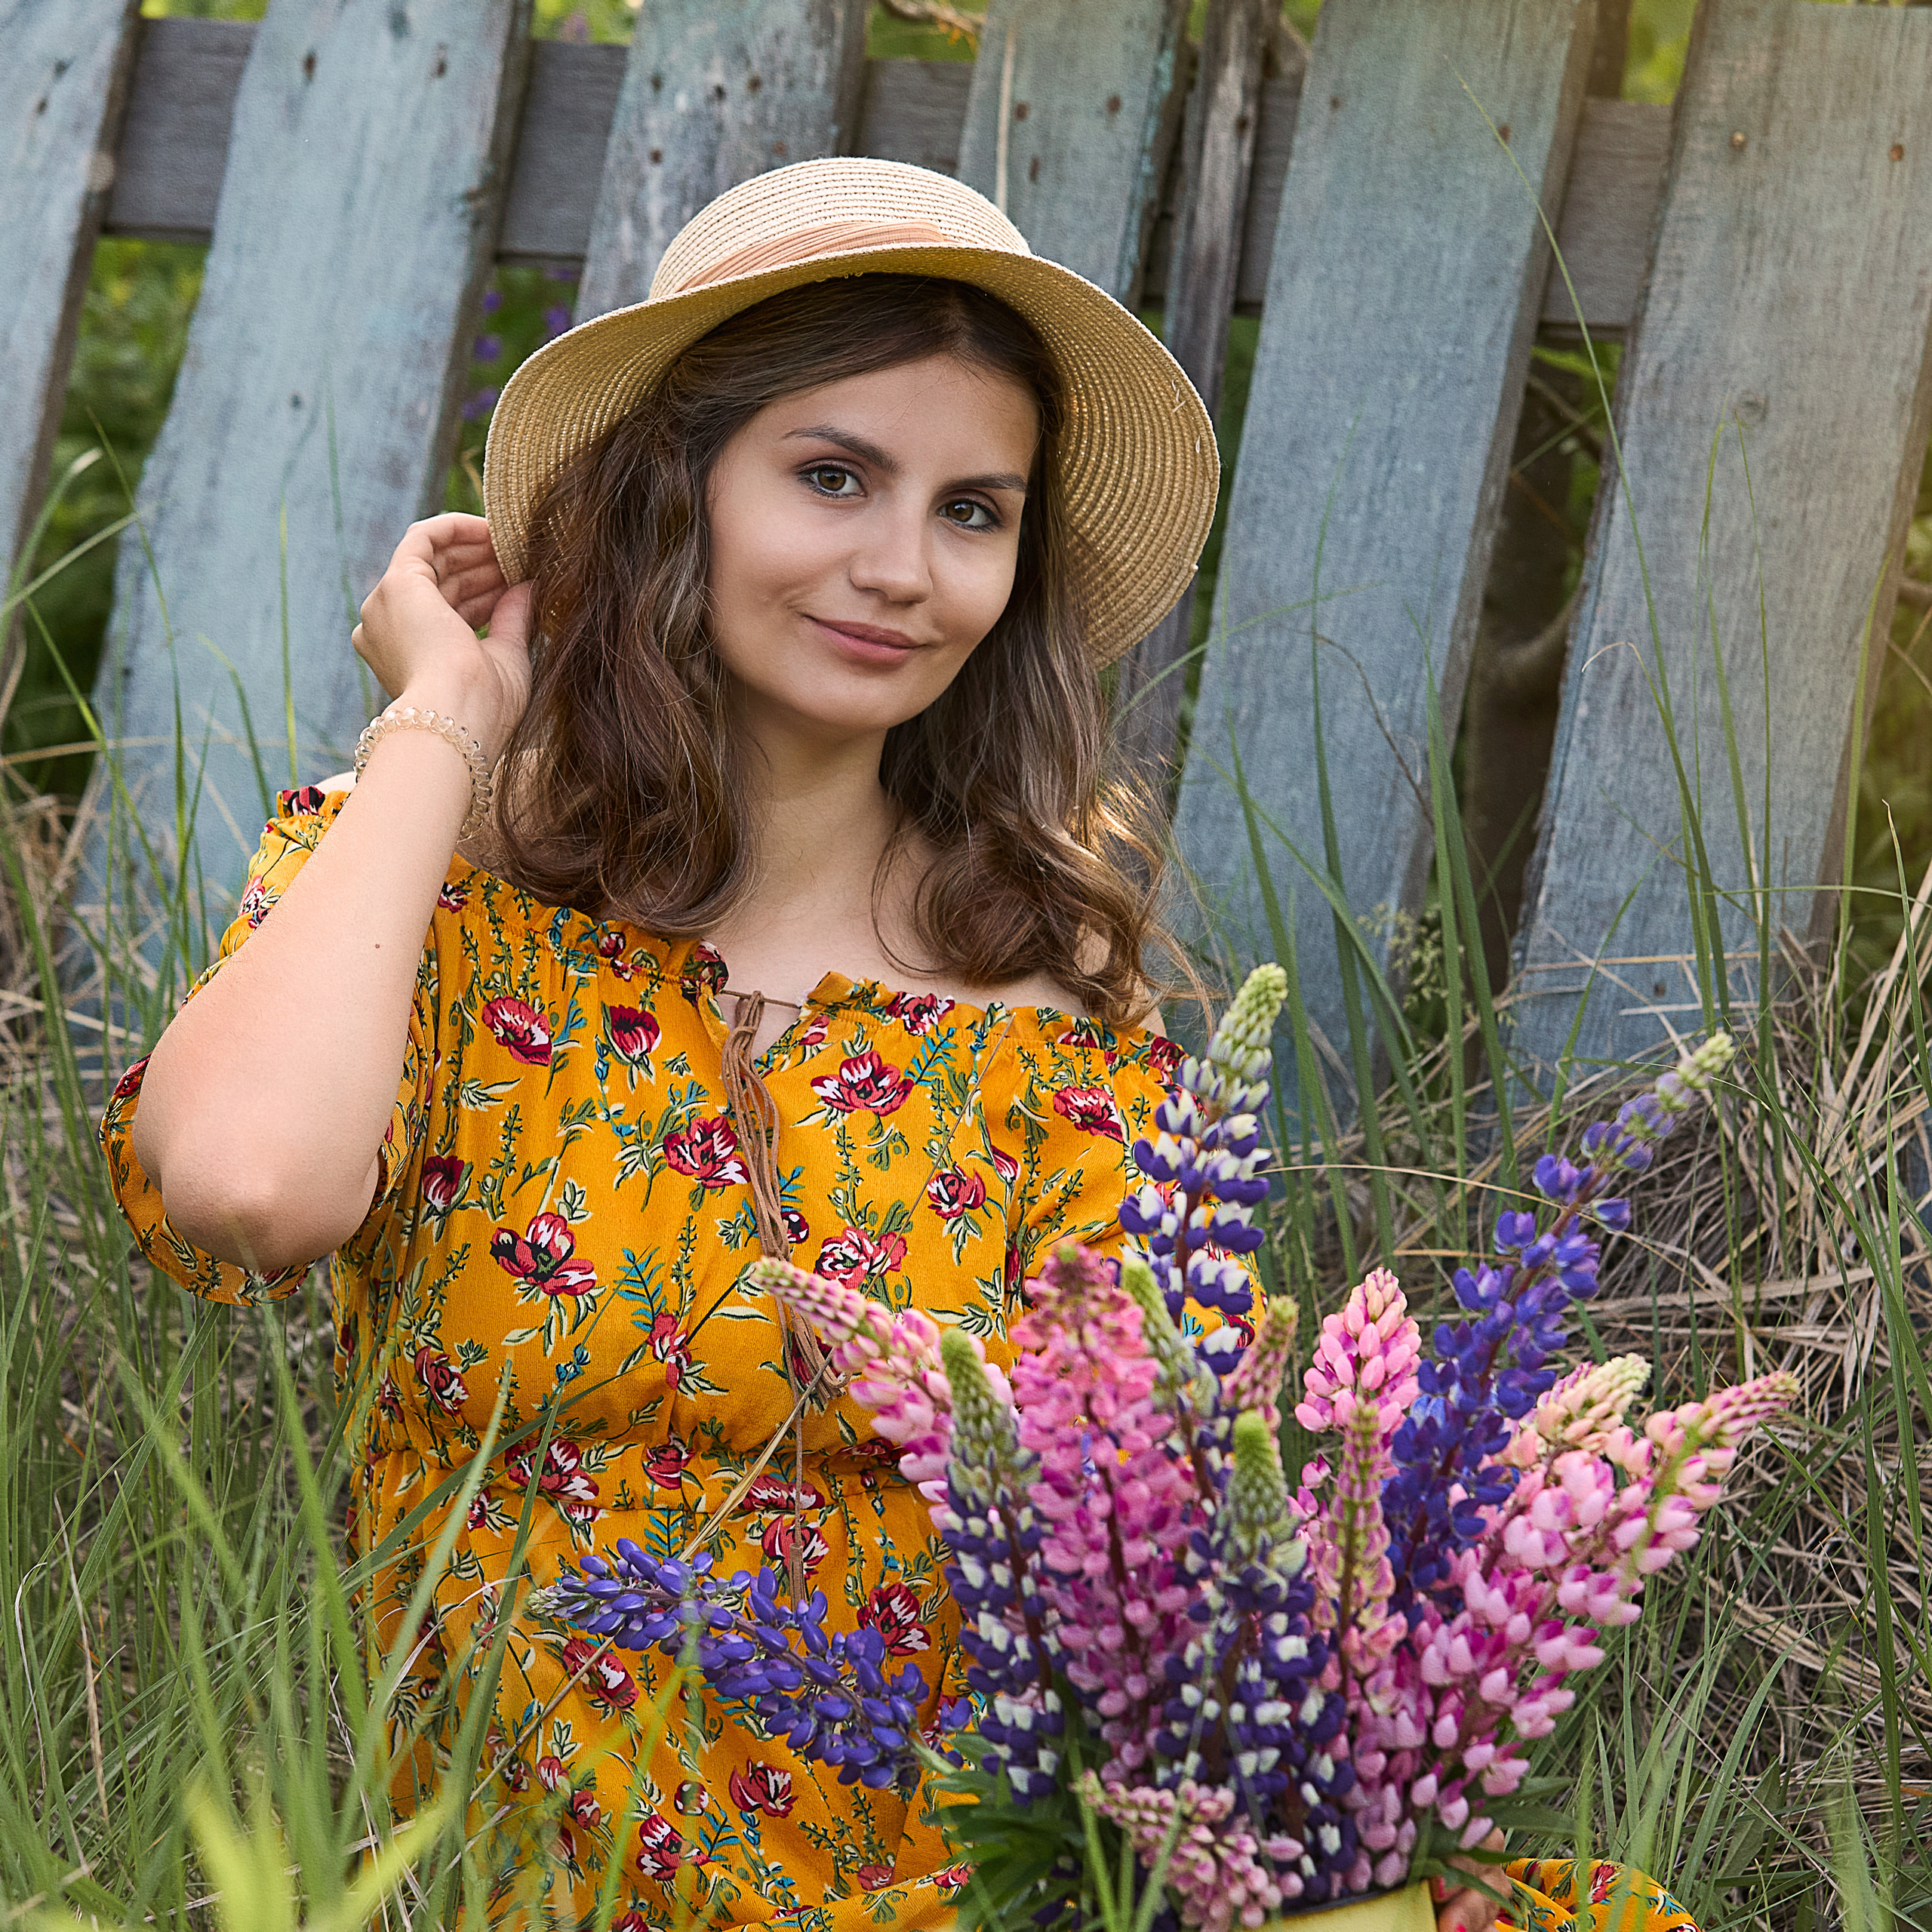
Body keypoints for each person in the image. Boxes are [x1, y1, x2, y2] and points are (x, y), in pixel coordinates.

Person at [98, 159, 1686, 1932]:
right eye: (832, 474)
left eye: (972, 510)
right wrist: (445, 719)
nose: (900, 570)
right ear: (667, 488)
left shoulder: (1047, 990)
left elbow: (1146, 1544)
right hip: (527, 1849)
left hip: (967, 1868)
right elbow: (246, 1184)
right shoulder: (416, 886)